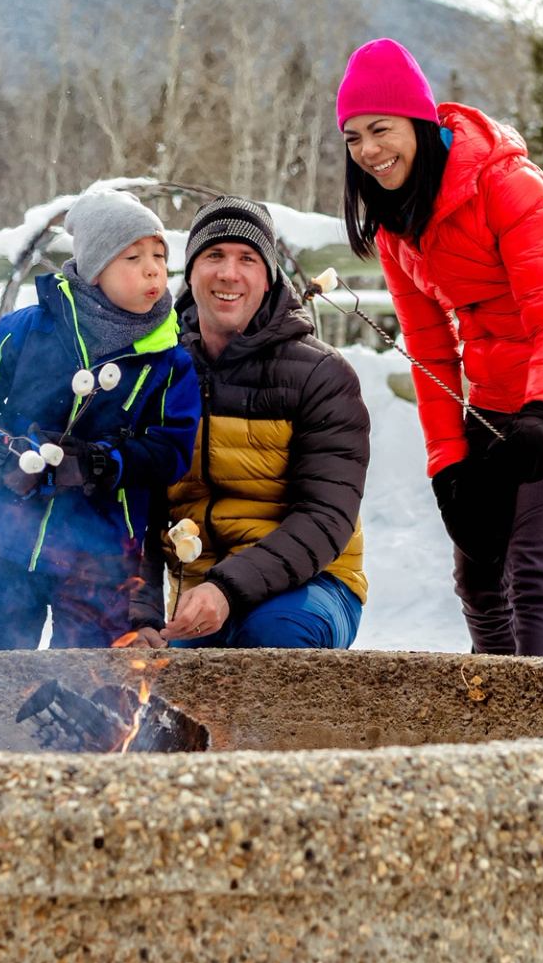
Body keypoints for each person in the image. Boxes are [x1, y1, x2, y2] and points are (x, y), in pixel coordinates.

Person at [338, 37, 543, 658]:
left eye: (380, 129)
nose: (368, 150)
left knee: (537, 569)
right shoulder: (399, 225)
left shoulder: (506, 185)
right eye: (352, 137)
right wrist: (448, 463)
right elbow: (428, 348)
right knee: (479, 573)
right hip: (499, 391)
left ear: (417, 121)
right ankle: (498, 718)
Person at [0, 189, 201, 650]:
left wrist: (107, 463)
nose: (152, 269)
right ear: (95, 267)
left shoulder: (168, 361)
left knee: (88, 683)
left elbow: (172, 449)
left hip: (101, 554)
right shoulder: (27, 330)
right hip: (5, 537)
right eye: (133, 256)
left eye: (160, 256)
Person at [127, 197, 371, 650]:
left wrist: (226, 588)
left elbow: (325, 517)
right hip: (197, 600)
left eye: (248, 259)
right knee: (150, 690)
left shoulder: (321, 376)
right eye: (214, 256)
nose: (229, 273)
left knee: (271, 637)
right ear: (191, 271)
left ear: (269, 277)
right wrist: (140, 616)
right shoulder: (155, 374)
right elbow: (138, 512)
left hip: (311, 584)